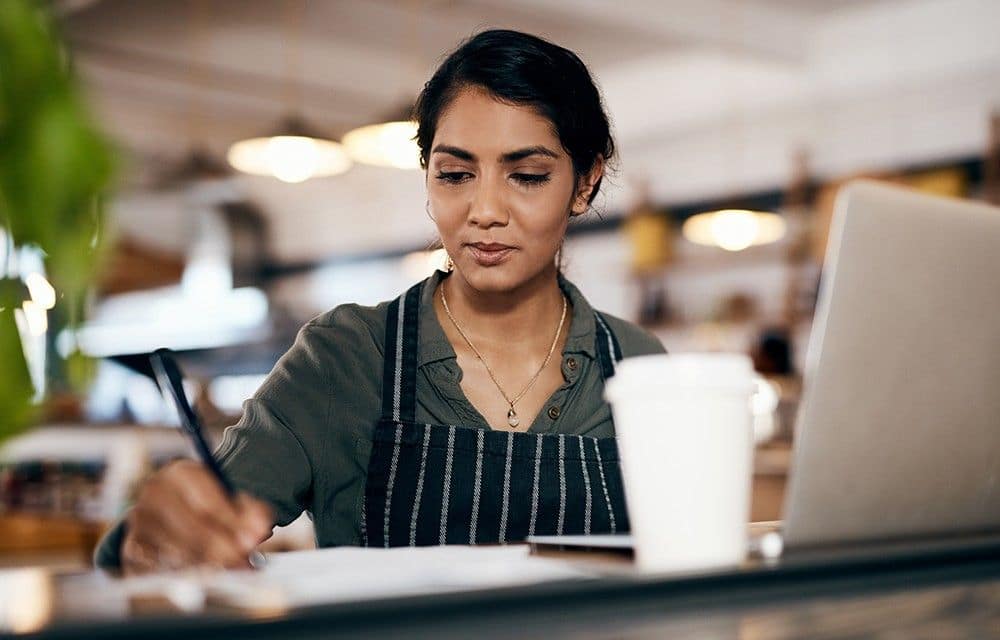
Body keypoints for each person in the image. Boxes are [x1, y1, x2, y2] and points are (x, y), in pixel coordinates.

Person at [94, 28, 665, 573]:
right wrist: (156, 537)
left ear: (585, 182)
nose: (485, 210)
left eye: (528, 175)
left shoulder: (641, 366)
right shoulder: (346, 357)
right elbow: (169, 544)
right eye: (455, 173)